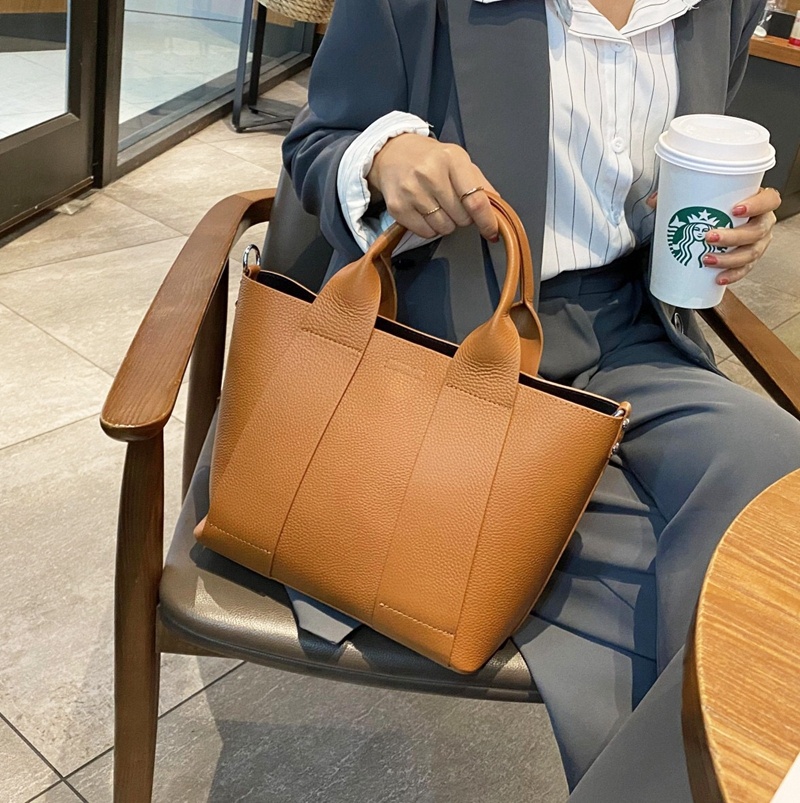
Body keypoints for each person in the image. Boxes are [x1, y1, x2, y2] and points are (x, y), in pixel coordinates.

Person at [282, 0, 800, 797]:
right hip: (451, 345)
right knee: (730, 603)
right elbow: (317, 142)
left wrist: (725, 230)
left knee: (779, 486)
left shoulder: (719, 5)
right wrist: (384, 157)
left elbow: (680, 173)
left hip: (632, 330)